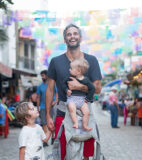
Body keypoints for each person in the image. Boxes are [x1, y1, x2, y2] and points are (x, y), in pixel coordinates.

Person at [45, 24, 102, 160]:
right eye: (69, 34)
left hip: (84, 113)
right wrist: (47, 115)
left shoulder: (91, 60)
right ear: (65, 39)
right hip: (62, 113)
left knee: (85, 155)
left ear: (80, 37)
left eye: (75, 33)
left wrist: (79, 87)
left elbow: (98, 89)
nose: (72, 37)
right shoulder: (56, 61)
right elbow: (50, 89)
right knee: (63, 154)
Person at [61, 58, 95, 131]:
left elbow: (93, 89)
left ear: (78, 71)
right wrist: (66, 90)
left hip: (82, 99)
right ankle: (75, 123)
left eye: (71, 68)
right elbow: (63, 84)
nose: (69, 70)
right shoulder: (69, 78)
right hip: (72, 99)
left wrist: (87, 98)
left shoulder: (86, 80)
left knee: (86, 112)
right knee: (72, 109)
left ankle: (85, 125)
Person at [36, 70, 58, 146]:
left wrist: (55, 102)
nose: (42, 77)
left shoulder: (53, 84)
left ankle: (53, 137)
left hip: (52, 106)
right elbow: (38, 97)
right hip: (42, 107)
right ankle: (45, 140)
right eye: (41, 75)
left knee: (52, 122)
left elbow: (57, 94)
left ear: (47, 76)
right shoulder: (39, 86)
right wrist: (37, 108)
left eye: (43, 75)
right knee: (44, 123)